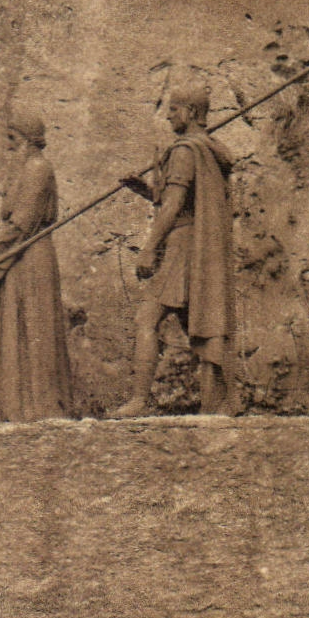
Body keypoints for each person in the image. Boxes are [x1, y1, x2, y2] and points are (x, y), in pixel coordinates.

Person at [113, 79, 240, 417]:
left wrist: (149, 249)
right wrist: (144, 188)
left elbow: (172, 208)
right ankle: (225, 401)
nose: (168, 116)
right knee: (201, 327)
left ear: (191, 112)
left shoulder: (185, 151)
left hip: (182, 249)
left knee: (147, 319)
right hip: (196, 248)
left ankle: (140, 400)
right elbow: (179, 202)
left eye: (173, 109)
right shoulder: (207, 148)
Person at [0, 109, 74, 421]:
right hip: (17, 256)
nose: (7, 146)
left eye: (12, 139)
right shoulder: (21, 171)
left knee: (35, 327)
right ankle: (19, 407)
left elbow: (24, 219)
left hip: (31, 254)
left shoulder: (37, 169)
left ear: (26, 141)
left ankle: (41, 407)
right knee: (18, 326)